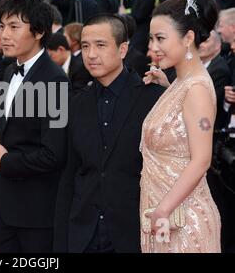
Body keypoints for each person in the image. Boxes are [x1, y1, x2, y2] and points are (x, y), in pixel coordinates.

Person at [53, 14, 164, 253]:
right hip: (84, 234)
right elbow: (70, 175)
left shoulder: (152, 99)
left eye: (100, 45)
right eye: (85, 46)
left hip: (134, 234)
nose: (91, 54)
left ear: (122, 49)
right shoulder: (77, 104)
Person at [0, 0, 69, 253]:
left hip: (36, 213)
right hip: (4, 209)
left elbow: (54, 154)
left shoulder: (55, 81)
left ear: (39, 32)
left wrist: (7, 161)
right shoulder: (8, 71)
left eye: (14, 27)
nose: (4, 35)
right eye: (2, 26)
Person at [141, 0, 221, 253]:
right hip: (165, 216)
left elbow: (201, 159)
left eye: (161, 38)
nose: (153, 47)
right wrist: (168, 88)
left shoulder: (195, 88)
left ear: (188, 38)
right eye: (151, 39)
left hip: (183, 222)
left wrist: (163, 209)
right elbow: (181, 127)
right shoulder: (182, 82)